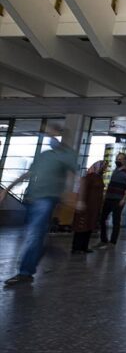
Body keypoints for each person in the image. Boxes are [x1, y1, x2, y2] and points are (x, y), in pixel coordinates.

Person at [1, 122, 77, 286]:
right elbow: (29, 173)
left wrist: (69, 194)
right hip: (32, 198)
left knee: (33, 234)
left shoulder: (67, 154)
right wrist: (7, 189)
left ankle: (25, 272)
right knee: (33, 233)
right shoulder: (44, 155)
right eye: (47, 134)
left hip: (47, 198)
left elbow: (72, 174)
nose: (49, 137)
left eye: (52, 133)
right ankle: (43, 249)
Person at [95, 153, 126, 249]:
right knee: (102, 219)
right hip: (109, 198)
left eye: (120, 159)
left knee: (116, 221)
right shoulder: (115, 170)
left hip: (118, 199)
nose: (118, 161)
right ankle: (103, 240)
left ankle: (112, 243)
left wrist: (124, 199)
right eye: (117, 159)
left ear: (125, 160)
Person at [71, 161, 107, 254]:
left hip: (94, 207)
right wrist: (81, 201)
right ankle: (76, 248)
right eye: (103, 167)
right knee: (82, 226)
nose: (105, 169)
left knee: (89, 226)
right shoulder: (88, 177)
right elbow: (82, 190)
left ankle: (84, 246)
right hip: (86, 206)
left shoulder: (99, 178)